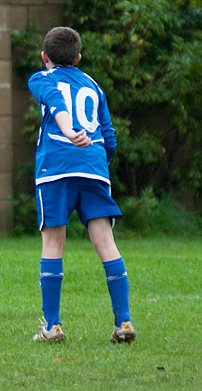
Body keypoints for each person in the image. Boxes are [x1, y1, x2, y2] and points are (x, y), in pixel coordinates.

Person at [27, 26, 135, 344]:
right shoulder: (94, 85)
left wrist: (68, 132)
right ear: (78, 58)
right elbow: (109, 135)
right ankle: (124, 322)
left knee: (53, 245)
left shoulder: (42, 78)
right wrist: (98, 161)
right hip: (94, 168)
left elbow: (55, 100)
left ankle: (52, 326)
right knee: (106, 244)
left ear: (44, 57)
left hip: (56, 169)